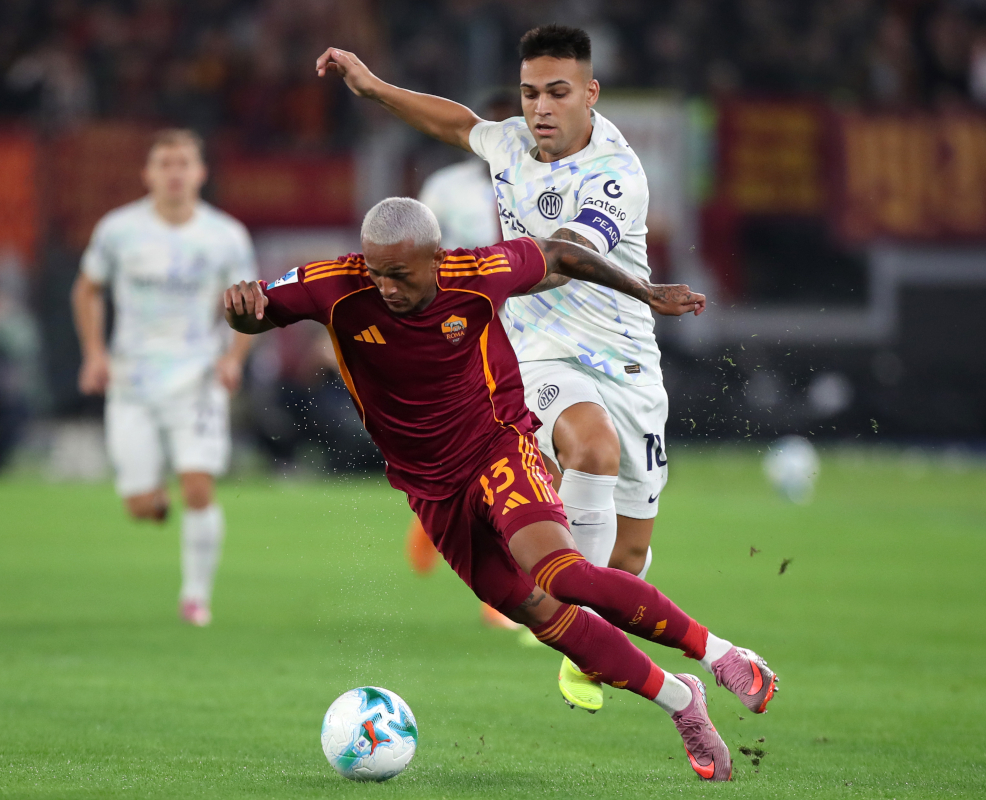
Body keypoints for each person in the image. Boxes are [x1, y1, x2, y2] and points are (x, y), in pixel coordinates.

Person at [224, 197, 777, 782]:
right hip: (429, 491)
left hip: (497, 448)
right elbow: (255, 311)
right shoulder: (335, 284)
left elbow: (561, 253)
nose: (385, 286)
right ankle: (682, 703)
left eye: (401, 273)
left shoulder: (478, 272)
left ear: (435, 258)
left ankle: (724, 657)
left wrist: (646, 291)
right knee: (543, 618)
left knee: (561, 575)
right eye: (377, 271)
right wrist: (240, 312)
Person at [317, 25, 689, 713]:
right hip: (536, 355)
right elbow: (458, 122)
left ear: (589, 94)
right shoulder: (511, 140)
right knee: (590, 446)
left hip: (627, 365)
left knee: (631, 556)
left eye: (556, 92)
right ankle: (573, 618)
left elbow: (563, 257)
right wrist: (373, 88)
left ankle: (596, 622)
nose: (540, 107)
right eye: (528, 93)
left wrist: (481, 277)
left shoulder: (615, 174)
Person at [71, 129, 257, 627]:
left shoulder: (225, 236)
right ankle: (152, 499)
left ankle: (195, 598)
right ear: (148, 174)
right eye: (165, 164)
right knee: (139, 506)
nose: (174, 173)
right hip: (131, 380)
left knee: (198, 486)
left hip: (197, 377)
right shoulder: (119, 230)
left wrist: (233, 357)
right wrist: (94, 353)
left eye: (183, 163)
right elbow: (87, 290)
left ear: (200, 173)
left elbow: (251, 306)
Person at [410, 91, 523, 631]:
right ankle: (435, 514)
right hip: (454, 333)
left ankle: (499, 594)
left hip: (521, 334)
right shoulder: (444, 189)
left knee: (516, 449)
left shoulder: (535, 187)